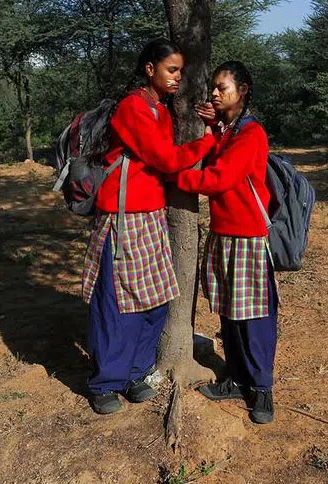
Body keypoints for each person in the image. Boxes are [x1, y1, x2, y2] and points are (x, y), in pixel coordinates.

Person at [81, 39, 217, 415]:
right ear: (149, 69)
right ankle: (105, 382)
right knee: (118, 302)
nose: (177, 78)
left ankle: (136, 373)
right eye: (171, 70)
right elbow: (164, 159)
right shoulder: (132, 108)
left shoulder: (160, 109)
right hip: (123, 215)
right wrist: (204, 144)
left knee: (155, 299)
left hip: (150, 214)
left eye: (179, 71)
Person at [174, 61, 277, 424]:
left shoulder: (251, 134)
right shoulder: (230, 130)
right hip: (224, 232)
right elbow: (218, 155)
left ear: (243, 90)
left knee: (256, 317)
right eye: (213, 88)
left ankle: (262, 388)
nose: (215, 93)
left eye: (223, 88)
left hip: (247, 236)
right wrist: (213, 126)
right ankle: (235, 377)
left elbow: (220, 177)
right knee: (229, 312)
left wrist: (176, 179)